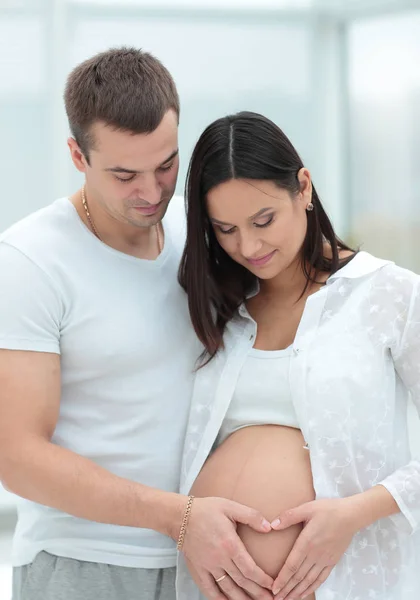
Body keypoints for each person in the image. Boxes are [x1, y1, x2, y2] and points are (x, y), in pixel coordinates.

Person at [0, 52, 276, 600]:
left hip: (204, 560)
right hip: (84, 565)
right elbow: (16, 456)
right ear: (78, 155)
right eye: (124, 174)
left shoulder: (199, 232)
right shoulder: (30, 261)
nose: (152, 192)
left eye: (166, 165)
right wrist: (176, 516)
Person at [177, 111, 420, 600]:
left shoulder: (389, 295)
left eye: (263, 220)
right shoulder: (219, 308)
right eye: (225, 229)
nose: (248, 245)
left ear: (304, 188)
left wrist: (353, 513)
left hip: (344, 579)